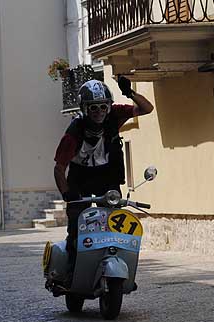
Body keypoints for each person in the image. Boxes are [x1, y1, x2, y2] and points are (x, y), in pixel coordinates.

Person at [53, 76, 154, 280]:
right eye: (93, 107)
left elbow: (147, 108)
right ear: (84, 109)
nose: (99, 112)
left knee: (115, 222)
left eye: (103, 106)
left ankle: (117, 265)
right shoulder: (73, 133)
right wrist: (66, 194)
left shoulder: (115, 115)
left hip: (106, 175)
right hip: (79, 176)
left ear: (108, 106)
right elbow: (59, 168)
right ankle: (72, 270)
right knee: (77, 225)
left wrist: (130, 93)